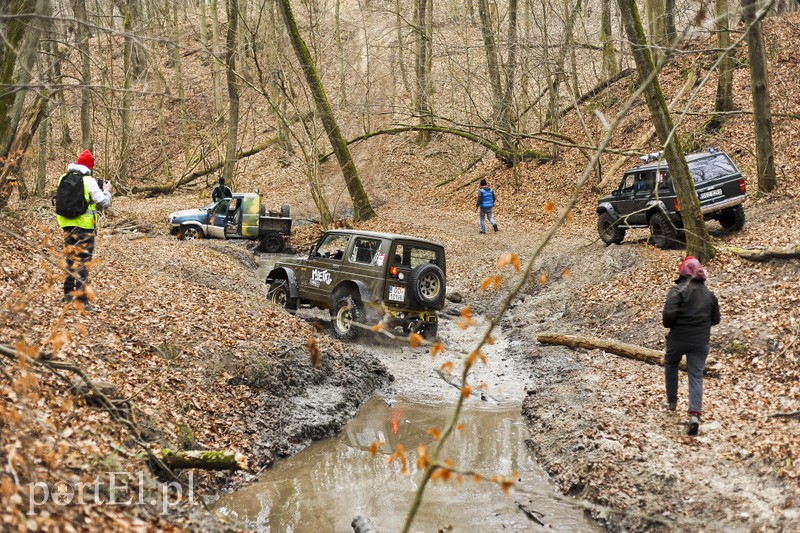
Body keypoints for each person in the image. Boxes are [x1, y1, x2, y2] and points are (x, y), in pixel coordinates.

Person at [662, 256, 721, 436]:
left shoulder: (677, 290)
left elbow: (667, 319)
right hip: (700, 342)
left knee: (671, 363)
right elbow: (716, 319)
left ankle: (672, 402)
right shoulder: (710, 294)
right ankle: (694, 415)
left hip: (678, 339)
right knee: (696, 376)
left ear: (683, 272)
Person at [56, 150, 112, 312]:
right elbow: (103, 203)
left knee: (70, 260)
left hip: (66, 224)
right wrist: (107, 191)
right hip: (85, 227)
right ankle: (82, 300)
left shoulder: (63, 177)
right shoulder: (88, 181)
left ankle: (67, 295)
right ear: (89, 167)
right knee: (83, 262)